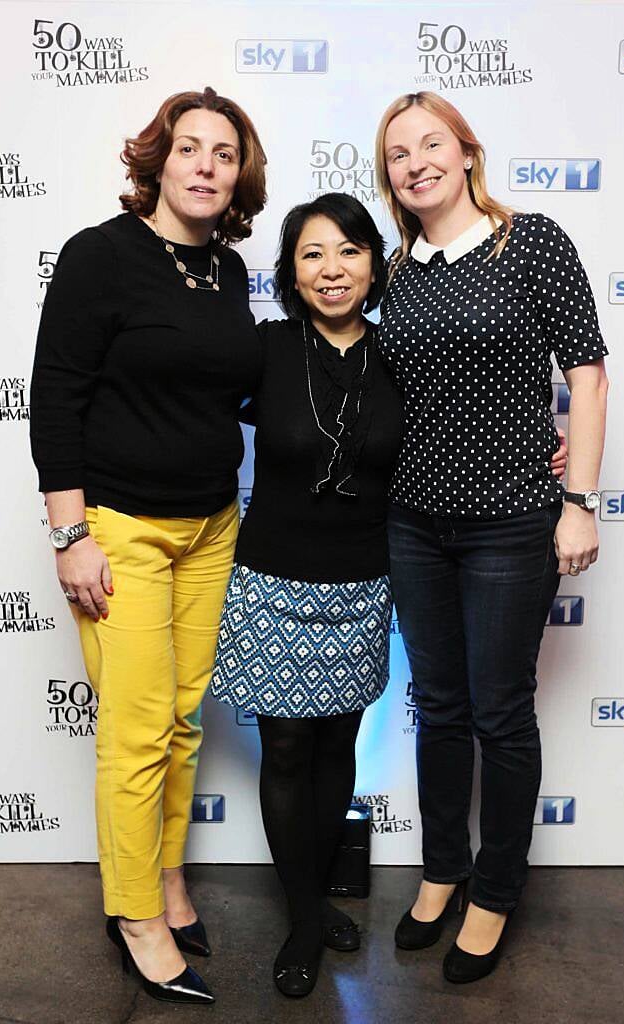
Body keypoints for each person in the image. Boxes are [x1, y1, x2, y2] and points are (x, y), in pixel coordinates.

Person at [29, 88, 266, 1005]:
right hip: (119, 529)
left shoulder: (231, 271)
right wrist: (70, 535)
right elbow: (56, 396)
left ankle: (167, 879)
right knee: (133, 735)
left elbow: (232, 392)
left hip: (211, 527)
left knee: (182, 721)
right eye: (189, 148)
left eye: (224, 153)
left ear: (238, 175)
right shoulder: (101, 256)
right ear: (157, 161)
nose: (206, 164)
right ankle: (134, 915)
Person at [374, 92, 608, 983]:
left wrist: (578, 497)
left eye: (431, 143)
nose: (416, 162)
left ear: (466, 153)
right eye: (398, 153)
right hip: (413, 521)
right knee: (438, 705)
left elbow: (586, 376)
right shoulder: (398, 271)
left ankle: (497, 890)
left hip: (513, 522)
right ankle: (441, 869)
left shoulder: (531, 242)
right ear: (389, 174)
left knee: (500, 710)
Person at [209, 193, 404, 997]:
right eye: (313, 254)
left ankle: (313, 896)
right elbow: (183, 407)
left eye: (349, 251)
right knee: (286, 750)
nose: (333, 269)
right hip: (272, 582)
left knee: (335, 752)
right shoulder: (263, 351)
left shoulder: (401, 354)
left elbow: (466, 416)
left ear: (373, 263)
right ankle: (301, 916)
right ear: (292, 270)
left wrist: (554, 446)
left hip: (363, 582)